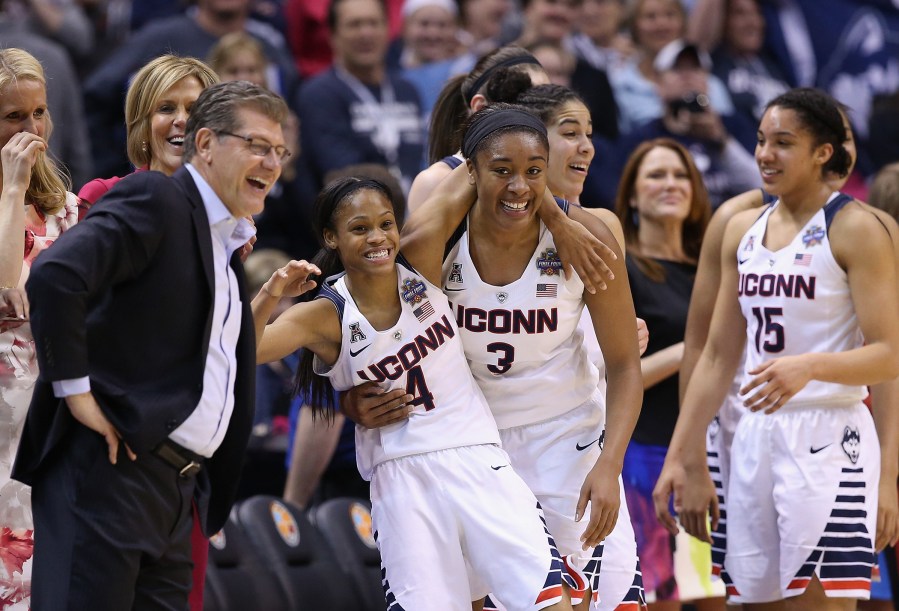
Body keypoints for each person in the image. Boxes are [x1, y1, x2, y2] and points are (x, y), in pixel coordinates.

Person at [12, 80, 289, 609]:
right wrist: (77, 393)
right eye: (256, 145)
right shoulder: (158, 196)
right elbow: (55, 275)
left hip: (175, 491)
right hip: (111, 476)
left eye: (279, 151)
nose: (271, 162)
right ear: (205, 144)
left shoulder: (224, 241)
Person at [254, 176, 578, 611]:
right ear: (331, 237)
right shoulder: (326, 313)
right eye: (359, 228)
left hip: (477, 457)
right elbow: (247, 349)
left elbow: (478, 165)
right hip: (402, 479)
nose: (378, 238)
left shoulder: (420, 261)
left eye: (386, 223)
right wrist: (272, 290)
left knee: (549, 602)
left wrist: (556, 214)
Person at [387, 105, 644, 610]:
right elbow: (412, 246)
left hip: (564, 437)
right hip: (471, 443)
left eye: (534, 171)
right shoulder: (442, 239)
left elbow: (623, 364)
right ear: (470, 171)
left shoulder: (588, 237)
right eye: (501, 170)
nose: (519, 186)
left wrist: (610, 464)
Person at [654, 87, 899, 609]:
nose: (764, 154)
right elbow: (718, 356)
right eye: (762, 141)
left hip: (831, 437)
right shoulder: (742, 229)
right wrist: (683, 453)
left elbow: (890, 352)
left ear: (822, 153)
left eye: (783, 143)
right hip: (754, 436)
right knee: (751, 603)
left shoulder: (858, 228)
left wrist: (810, 367)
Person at [611, 138, 722, 610]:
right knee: (661, 600)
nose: (670, 184)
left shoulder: (711, 268)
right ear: (632, 196)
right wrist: (699, 350)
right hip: (644, 455)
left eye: (680, 175)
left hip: (714, 453)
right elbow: (618, 373)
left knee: (718, 597)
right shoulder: (626, 269)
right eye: (655, 176)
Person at [0, 46, 78, 611]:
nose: (32, 129)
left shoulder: (68, 210)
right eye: (13, 116)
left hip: (59, 414)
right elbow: (7, 292)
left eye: (40, 113)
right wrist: (10, 187)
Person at [83, 0, 300, 178]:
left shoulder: (270, 46)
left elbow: (289, 115)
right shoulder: (158, 38)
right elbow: (96, 96)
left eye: (251, 70)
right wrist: (115, 166)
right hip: (161, 183)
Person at [296, 0, 425, 194]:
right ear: (332, 35)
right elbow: (343, 175)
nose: (366, 33)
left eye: (373, 23)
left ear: (388, 29)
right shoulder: (318, 95)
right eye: (354, 24)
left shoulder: (407, 90)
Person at [78, 54, 220, 208]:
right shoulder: (103, 196)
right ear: (143, 126)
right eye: (166, 109)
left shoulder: (228, 208)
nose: (181, 120)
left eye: (193, 109)